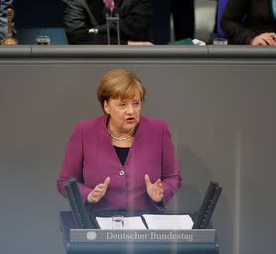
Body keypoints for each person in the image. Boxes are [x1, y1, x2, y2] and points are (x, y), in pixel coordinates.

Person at [57, 69, 182, 212]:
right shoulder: (84, 131)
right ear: (106, 106)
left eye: (136, 103)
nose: (131, 110)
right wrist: (88, 195)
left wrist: (161, 193)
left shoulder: (158, 129)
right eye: (123, 105)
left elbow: (173, 177)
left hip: (145, 222)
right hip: (98, 221)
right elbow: (64, 182)